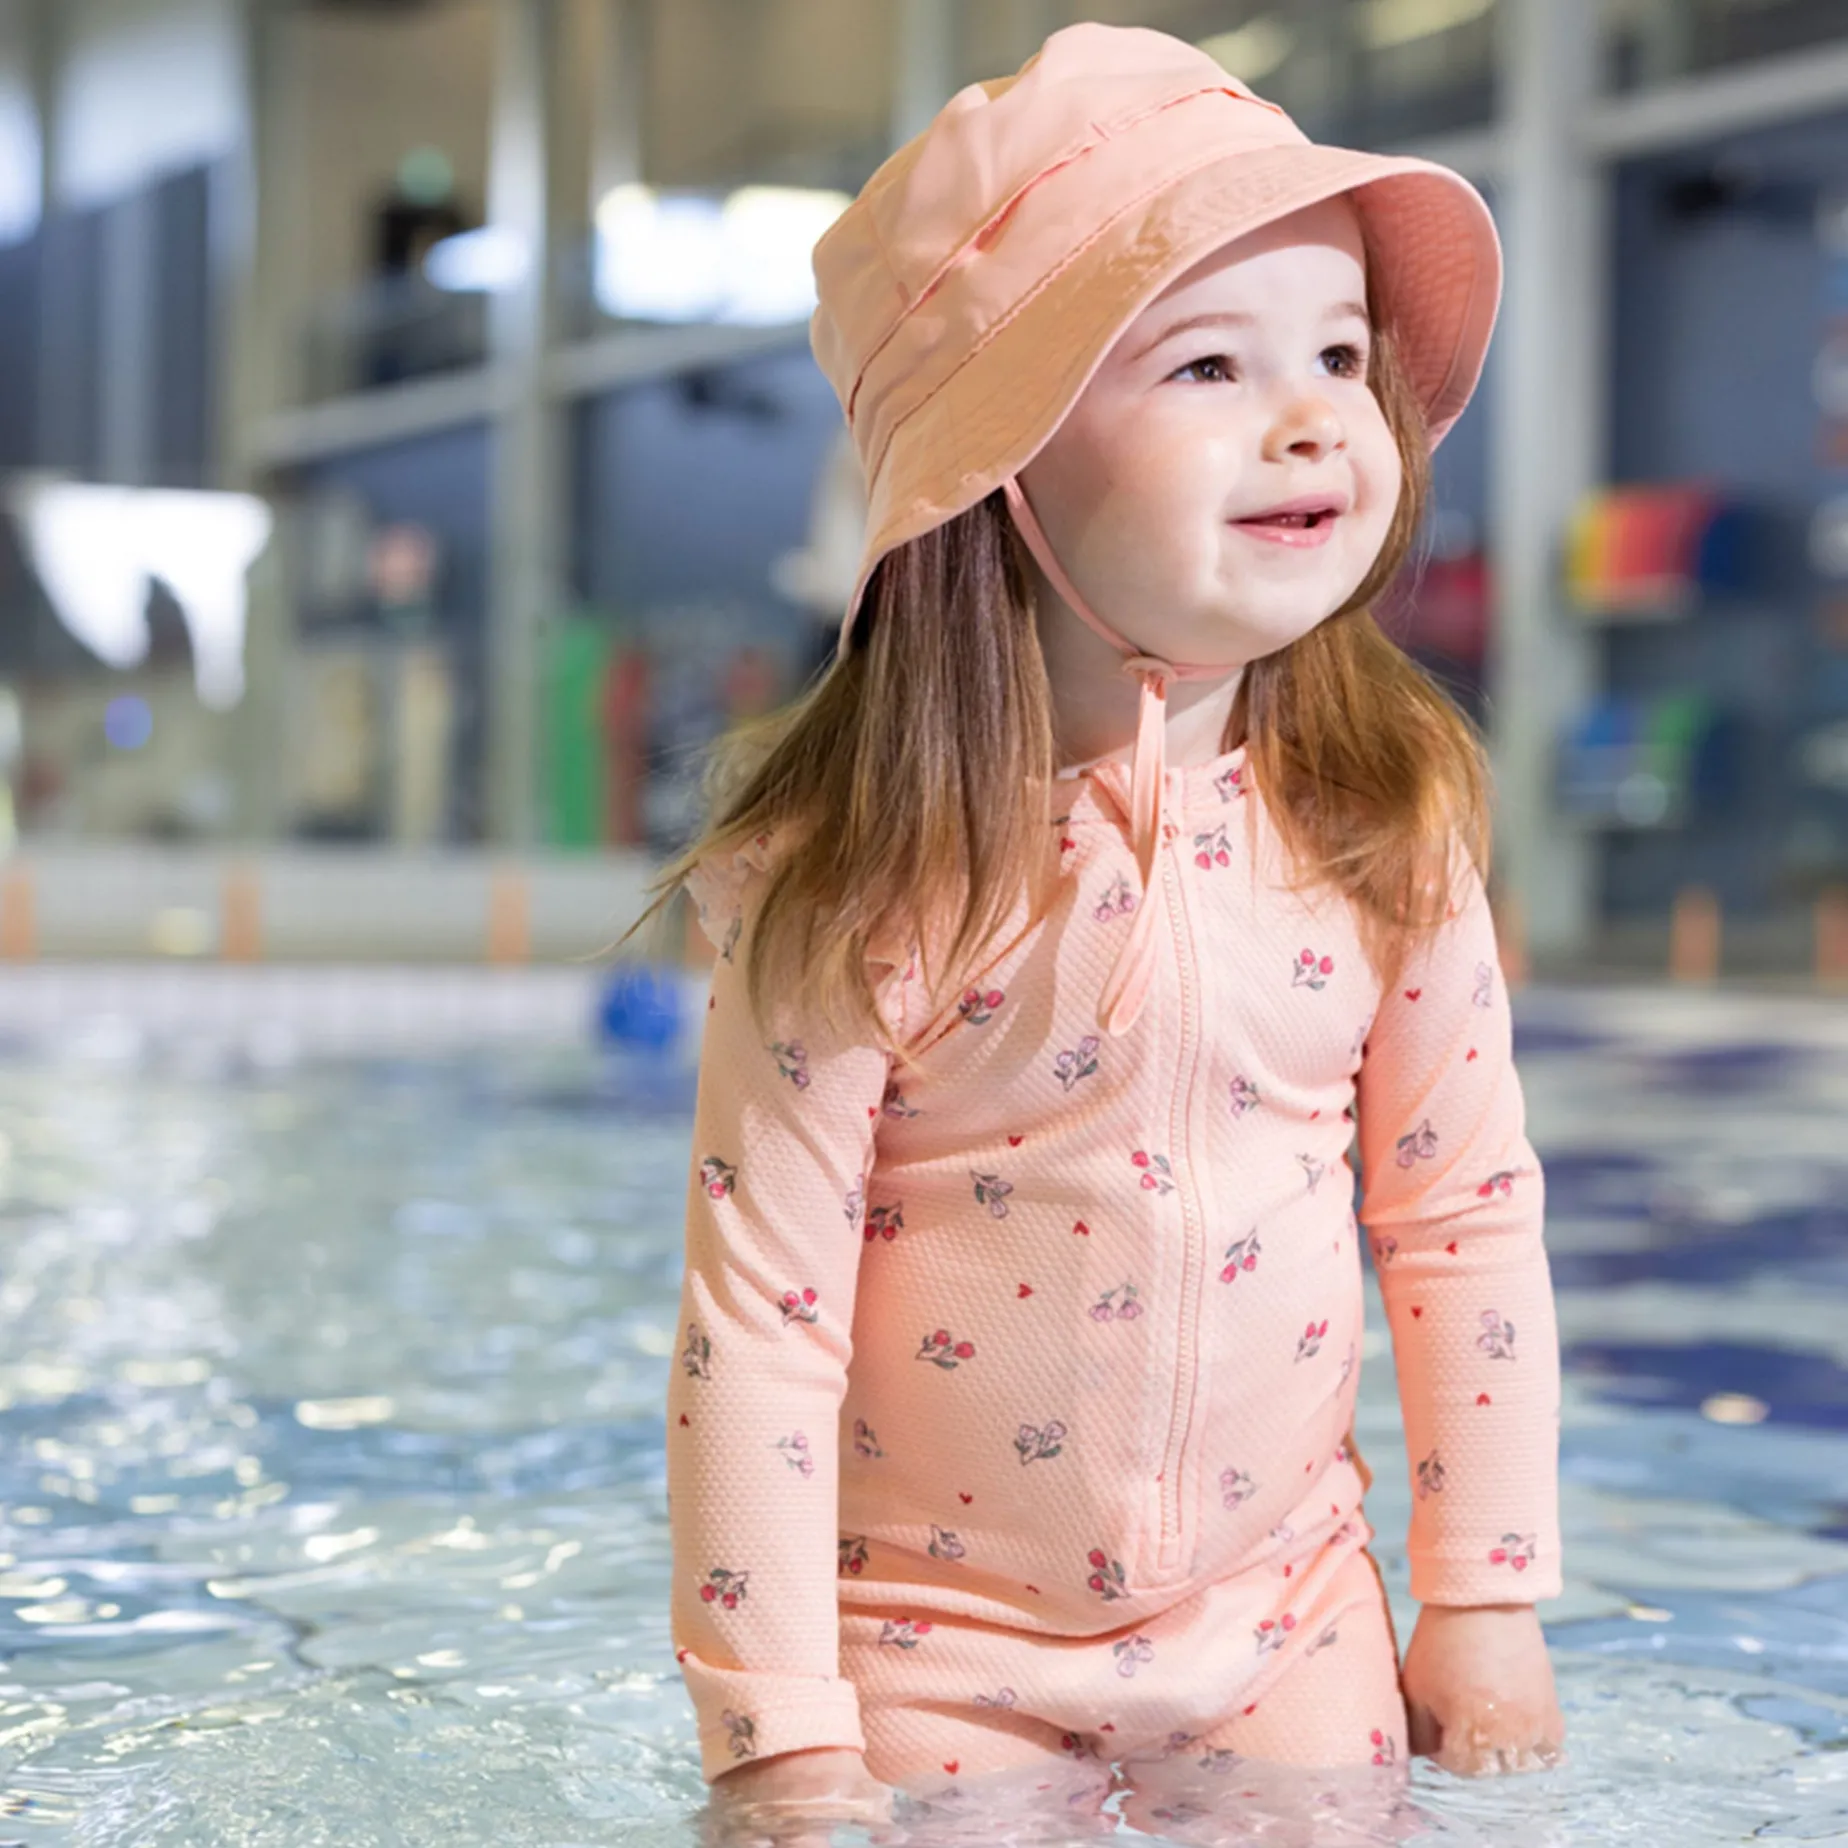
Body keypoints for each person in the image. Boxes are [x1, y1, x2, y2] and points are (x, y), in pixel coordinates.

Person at [617, 20, 1566, 1833]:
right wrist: (781, 1727)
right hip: (932, 1641)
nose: (1317, 416)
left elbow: (1460, 1217)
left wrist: (1484, 1597)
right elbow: (759, 1320)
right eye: (1208, 362)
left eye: (1342, 353)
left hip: (1284, 1612)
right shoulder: (864, 878)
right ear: (1001, 464)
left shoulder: (1384, 819)